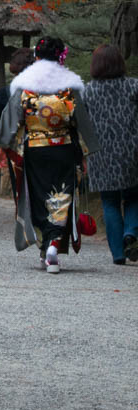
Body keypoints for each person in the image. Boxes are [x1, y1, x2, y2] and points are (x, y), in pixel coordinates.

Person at [0, 35, 98, 274]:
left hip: (36, 150)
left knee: (39, 197)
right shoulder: (69, 87)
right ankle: (51, 246)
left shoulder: (26, 86)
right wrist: (86, 152)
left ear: (37, 56)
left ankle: (46, 247)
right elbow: (82, 122)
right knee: (61, 196)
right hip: (64, 148)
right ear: (61, 57)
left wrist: (2, 148)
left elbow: (11, 119)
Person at [81, 44, 138, 266]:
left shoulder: (87, 91)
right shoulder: (134, 86)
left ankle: (117, 254)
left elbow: (82, 124)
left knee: (110, 201)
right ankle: (131, 231)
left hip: (100, 152)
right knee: (134, 196)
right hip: (132, 150)